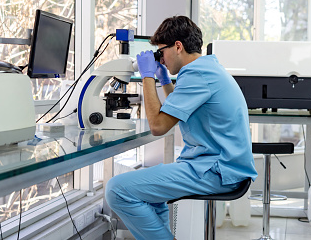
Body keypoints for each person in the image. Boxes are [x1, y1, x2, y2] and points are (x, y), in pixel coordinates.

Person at [105, 16, 257, 240]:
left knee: (116, 190)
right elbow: (180, 106)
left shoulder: (196, 74)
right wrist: (164, 81)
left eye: (161, 53)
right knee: (150, 195)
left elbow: (158, 126)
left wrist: (147, 76)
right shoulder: (206, 69)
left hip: (217, 171)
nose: (162, 60)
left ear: (178, 46)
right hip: (222, 166)